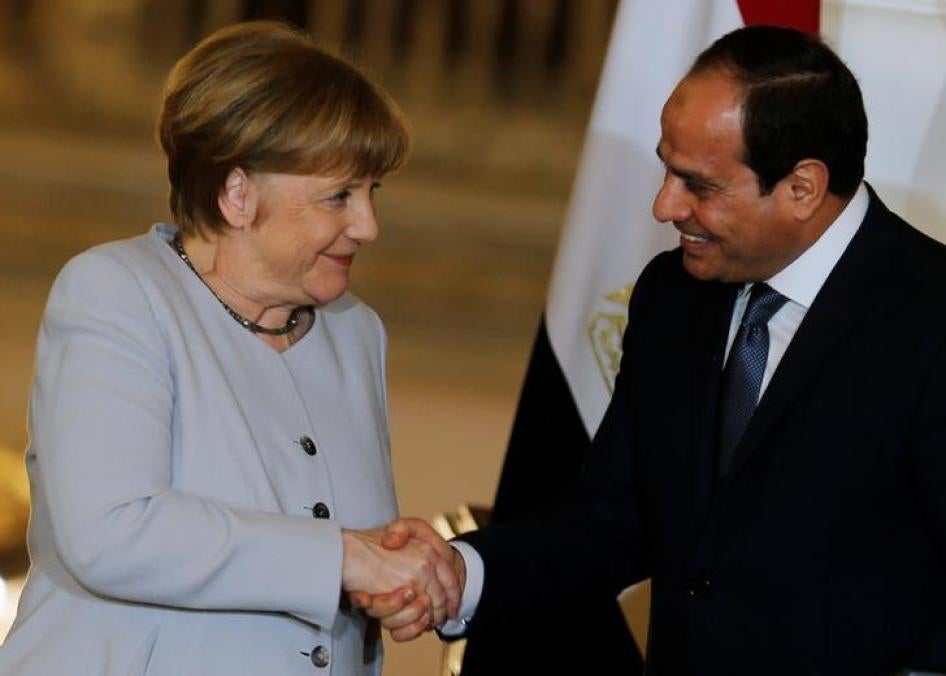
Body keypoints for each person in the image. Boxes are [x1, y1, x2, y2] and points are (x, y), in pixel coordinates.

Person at [362, 25, 946, 675]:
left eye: (699, 185)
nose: (665, 206)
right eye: (666, 168)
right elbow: (615, 517)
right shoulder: (675, 296)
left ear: (803, 188)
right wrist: (460, 571)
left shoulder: (930, 319)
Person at [0, 21, 459, 676]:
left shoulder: (355, 331)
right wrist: (346, 558)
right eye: (340, 196)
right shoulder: (117, 293)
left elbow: (340, 579)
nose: (369, 225)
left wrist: (392, 589)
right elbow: (110, 533)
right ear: (238, 193)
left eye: (372, 191)